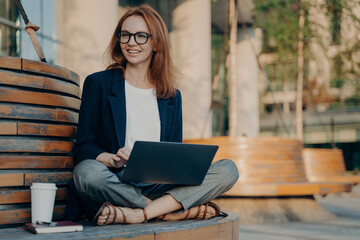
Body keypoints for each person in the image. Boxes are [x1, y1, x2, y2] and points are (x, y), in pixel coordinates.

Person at [72, 4, 239, 225]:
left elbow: (172, 155)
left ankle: (138, 213)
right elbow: (84, 146)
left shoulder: (171, 96)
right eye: (126, 35)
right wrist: (112, 159)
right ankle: (168, 211)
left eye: (141, 36)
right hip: (117, 181)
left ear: (156, 43)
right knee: (86, 173)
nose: (131, 42)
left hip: (160, 184)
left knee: (228, 170)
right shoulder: (98, 84)